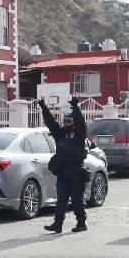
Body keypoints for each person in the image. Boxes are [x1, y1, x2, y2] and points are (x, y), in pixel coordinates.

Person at [38, 97, 89, 233]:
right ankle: (57, 224)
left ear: (73, 122)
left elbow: (81, 123)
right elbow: (51, 123)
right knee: (61, 200)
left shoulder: (79, 134)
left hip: (76, 172)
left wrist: (75, 107)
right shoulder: (59, 134)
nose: (66, 123)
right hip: (63, 172)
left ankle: (81, 223)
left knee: (77, 200)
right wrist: (44, 109)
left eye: (69, 120)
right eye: (65, 120)